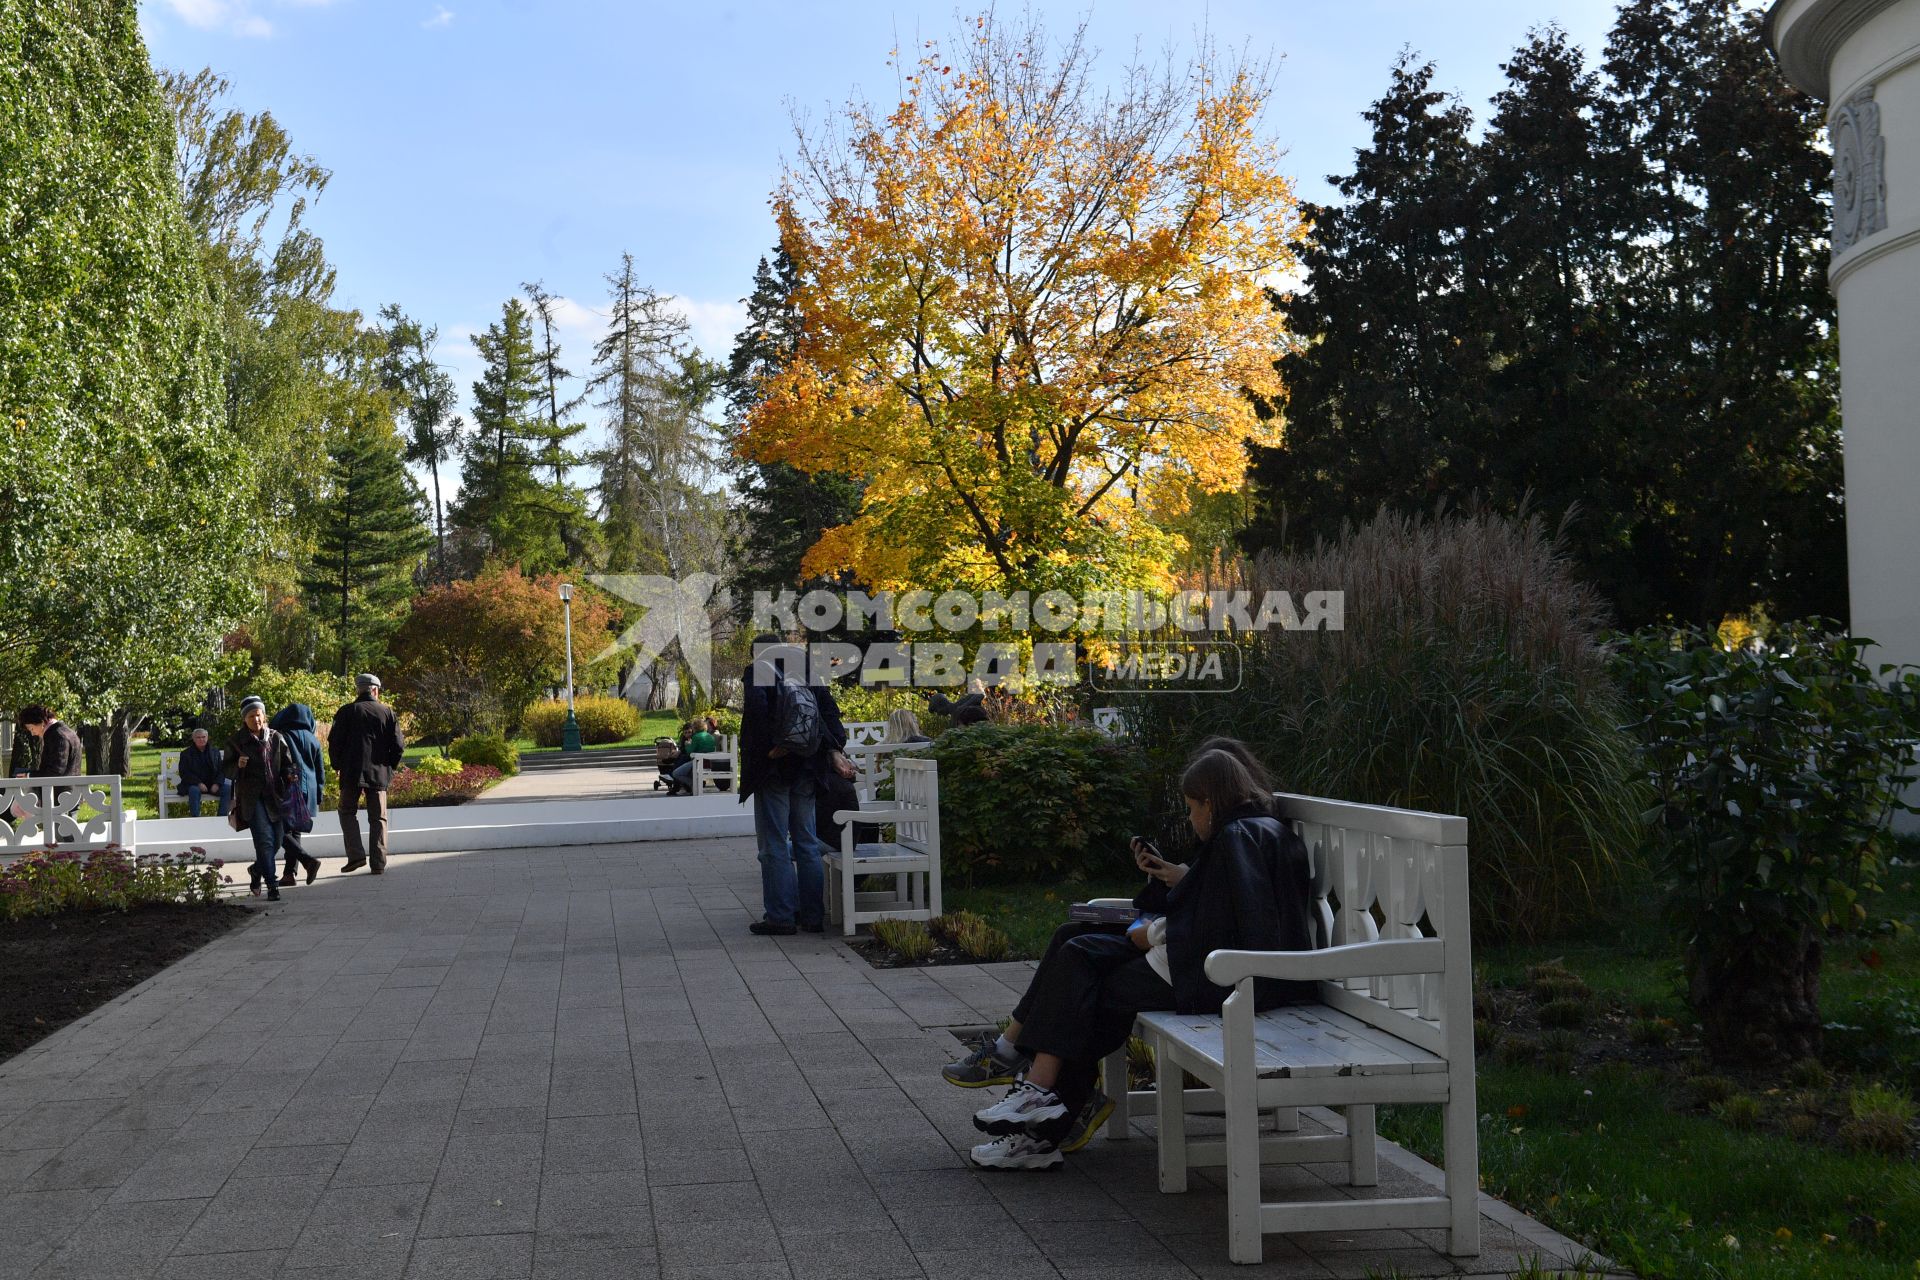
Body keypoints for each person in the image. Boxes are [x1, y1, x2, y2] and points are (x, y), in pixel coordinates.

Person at [964, 746, 1314, 1172]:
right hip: (1232, 972)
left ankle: (1042, 1105)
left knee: (1081, 977)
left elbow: (1220, 921)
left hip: (1212, 976)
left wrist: (1151, 933)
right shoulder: (1257, 829)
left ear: (1210, 801)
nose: (1190, 819)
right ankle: (1045, 1108)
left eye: (1190, 809)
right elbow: (1231, 904)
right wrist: (1181, 879)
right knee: (1077, 959)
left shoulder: (1234, 838)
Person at [739, 635, 832, 936]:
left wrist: (774, 746)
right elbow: (829, 715)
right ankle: (813, 917)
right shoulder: (807, 671)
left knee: (775, 844)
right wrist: (828, 749)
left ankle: (780, 917)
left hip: (774, 769)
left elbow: (756, 710)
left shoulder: (760, 669)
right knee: (807, 843)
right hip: (807, 767)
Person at [329, 673, 404, 876]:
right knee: (378, 817)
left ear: (358, 690)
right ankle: (378, 863)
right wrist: (389, 768)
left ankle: (356, 855)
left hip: (351, 772)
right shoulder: (387, 713)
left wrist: (337, 765)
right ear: (375, 690)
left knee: (346, 812)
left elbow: (334, 743)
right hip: (378, 773)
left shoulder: (345, 712)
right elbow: (398, 746)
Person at [223, 696, 295, 900]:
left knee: (278, 840)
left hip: (275, 796)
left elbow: (288, 762)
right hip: (252, 799)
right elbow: (226, 770)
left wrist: (290, 773)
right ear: (244, 719)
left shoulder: (275, 737)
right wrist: (238, 765)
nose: (256, 719)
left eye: (259, 715)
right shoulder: (236, 742)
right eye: (252, 716)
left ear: (264, 716)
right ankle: (272, 885)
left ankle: (256, 870)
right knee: (264, 841)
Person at [271, 703, 325, 886]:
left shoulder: (282, 736)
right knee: (296, 831)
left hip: (289, 788)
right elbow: (319, 770)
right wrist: (319, 793)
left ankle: (306, 861)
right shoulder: (313, 739)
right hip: (308, 790)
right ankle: (289, 874)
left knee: (280, 829)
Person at [14, 705, 84, 844]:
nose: (33, 733)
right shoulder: (64, 731)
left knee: (66, 841)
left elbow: (56, 771)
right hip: (70, 793)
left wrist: (30, 776)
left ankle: (81, 865)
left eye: (31, 728)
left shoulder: (57, 735)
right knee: (67, 838)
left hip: (62, 796)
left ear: (40, 722)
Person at [177, 727, 230, 817]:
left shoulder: (215, 752)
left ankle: (221, 818)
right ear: (193, 739)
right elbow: (184, 773)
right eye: (198, 737)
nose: (201, 739)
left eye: (203, 737)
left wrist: (217, 783)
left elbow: (222, 770)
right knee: (194, 791)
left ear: (207, 738)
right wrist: (198, 783)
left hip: (212, 784)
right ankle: (196, 820)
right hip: (194, 785)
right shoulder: (186, 754)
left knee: (227, 789)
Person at [668, 719, 720, 795]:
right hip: (710, 762)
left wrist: (687, 745)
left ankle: (694, 784)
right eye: (686, 732)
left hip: (699, 762)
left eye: (690, 731)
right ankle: (693, 785)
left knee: (676, 773)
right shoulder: (709, 735)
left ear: (694, 728)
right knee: (681, 760)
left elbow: (690, 752)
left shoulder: (696, 737)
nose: (688, 734)